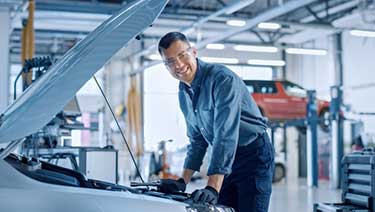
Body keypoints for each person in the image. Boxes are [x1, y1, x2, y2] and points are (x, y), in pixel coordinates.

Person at [157, 32, 274, 212]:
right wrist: (183, 181)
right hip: (226, 160)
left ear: (194, 52)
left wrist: (212, 186)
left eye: (182, 55)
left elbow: (225, 134)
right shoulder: (183, 92)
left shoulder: (221, 79)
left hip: (253, 155)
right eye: (170, 61)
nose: (178, 65)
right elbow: (197, 140)